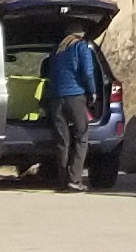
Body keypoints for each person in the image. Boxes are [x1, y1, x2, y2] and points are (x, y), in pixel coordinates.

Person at [44, 24, 113, 194]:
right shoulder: (81, 47)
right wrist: (93, 93)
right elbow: (88, 72)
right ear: (80, 36)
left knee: (62, 141)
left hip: (55, 99)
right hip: (75, 97)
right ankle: (74, 180)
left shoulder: (56, 52)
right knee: (82, 137)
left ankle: (62, 181)